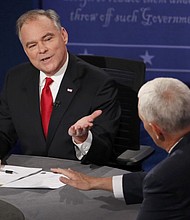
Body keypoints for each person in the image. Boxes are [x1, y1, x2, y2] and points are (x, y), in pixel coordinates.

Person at [52, 77, 190, 220]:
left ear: (156, 130)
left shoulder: (167, 175)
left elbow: (164, 180)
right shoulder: (174, 170)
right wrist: (94, 182)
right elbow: (168, 179)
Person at [0, 9, 120, 165]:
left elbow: (104, 151)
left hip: (78, 176)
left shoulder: (98, 83)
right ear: (25, 50)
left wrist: (82, 138)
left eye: (48, 39)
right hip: (30, 178)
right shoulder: (15, 79)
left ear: (63, 35)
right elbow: (3, 132)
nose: (41, 50)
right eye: (32, 45)